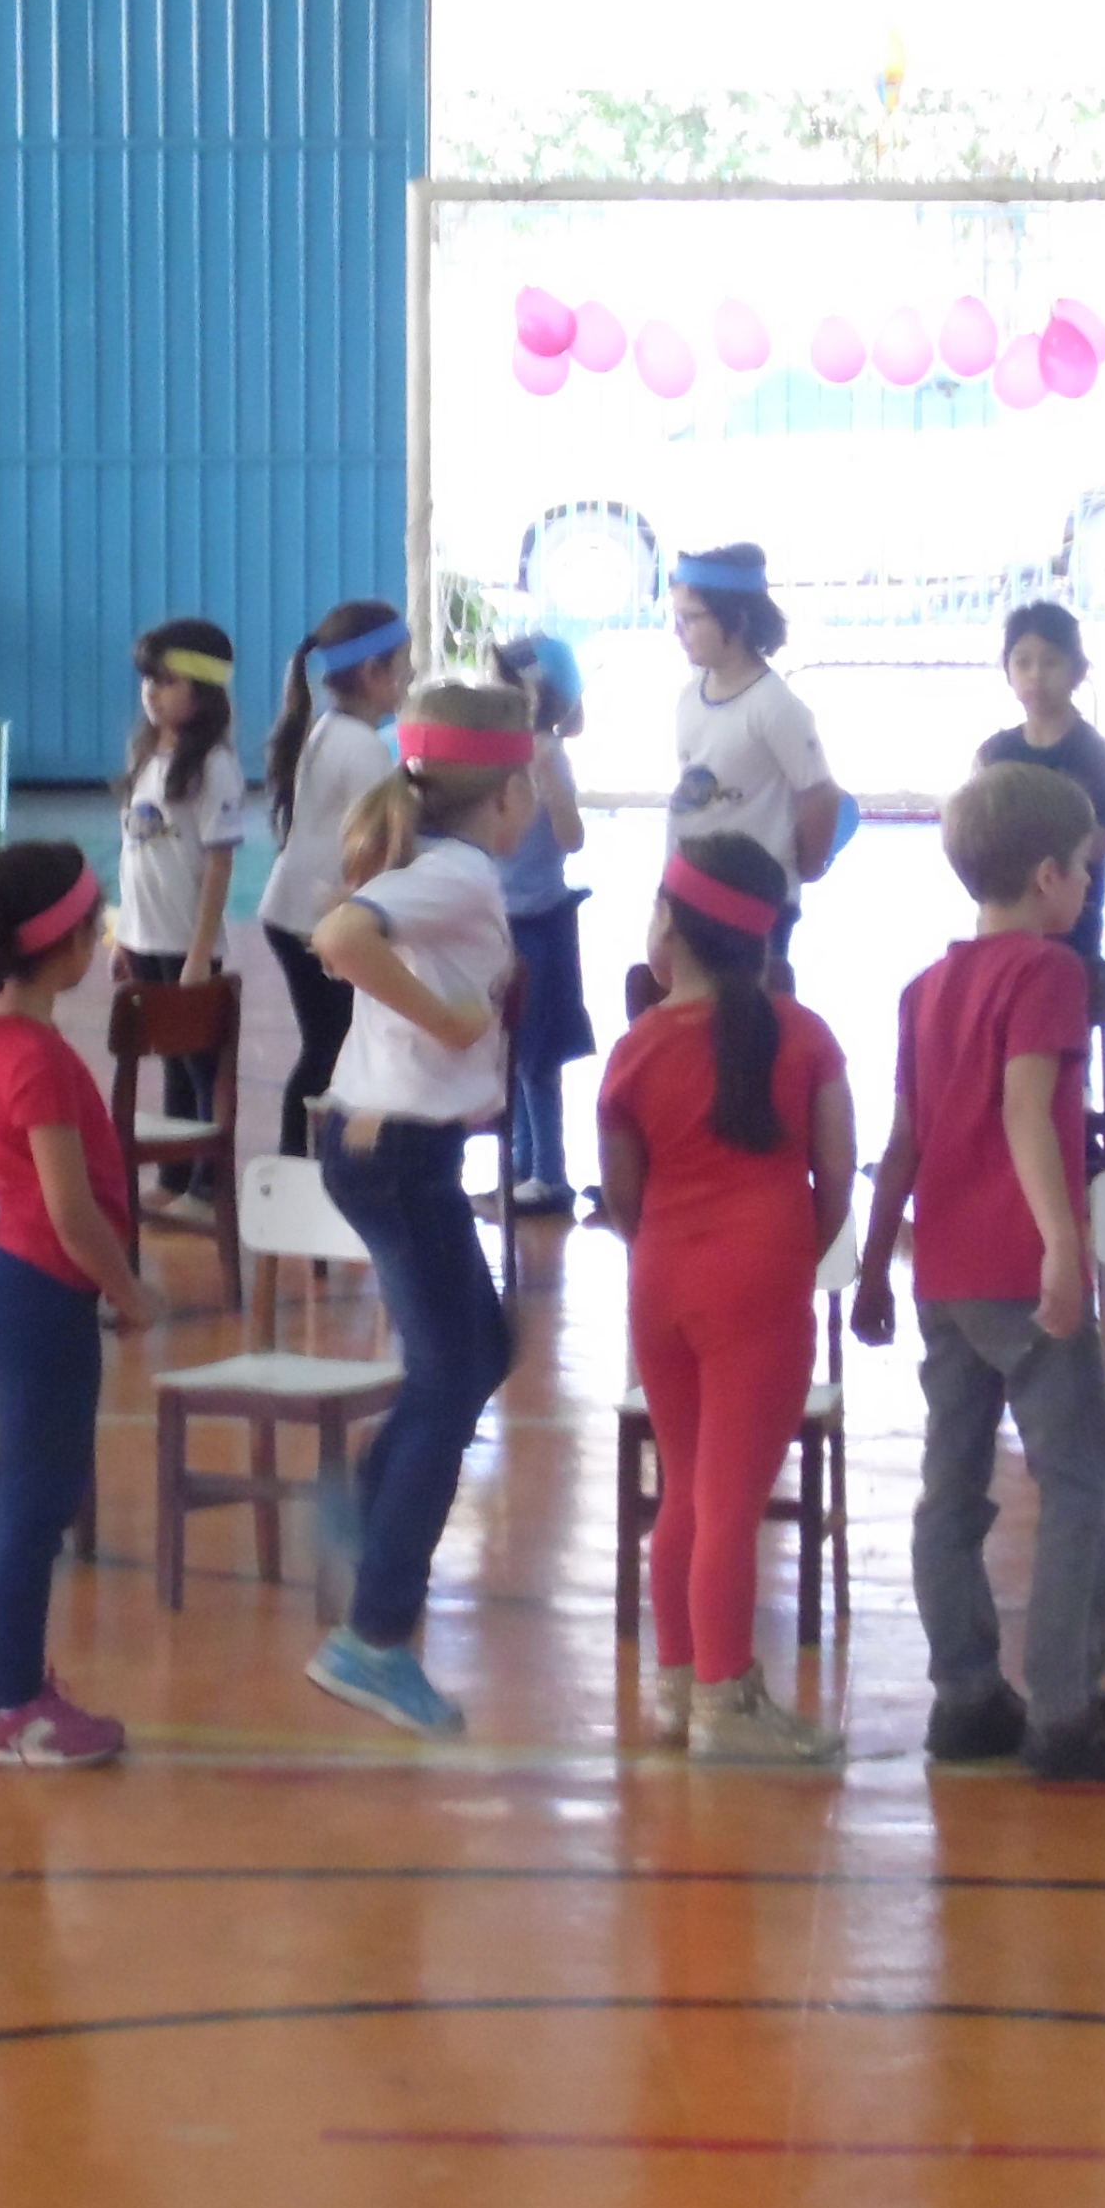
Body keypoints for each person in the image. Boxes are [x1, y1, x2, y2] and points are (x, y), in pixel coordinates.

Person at [851, 761, 1105, 1786]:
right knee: (1079, 1482)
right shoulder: (1049, 975)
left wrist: (875, 1265)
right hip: (1020, 1265)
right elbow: (1026, 1110)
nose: (1085, 884)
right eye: (1083, 867)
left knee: (951, 1490)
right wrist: (1062, 1247)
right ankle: (1066, 1709)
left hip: (944, 1273)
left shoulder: (925, 988)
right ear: (1048, 876)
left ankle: (965, 1697)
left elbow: (904, 1140)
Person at [301, 680, 536, 1741]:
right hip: (397, 1154)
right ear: (510, 792)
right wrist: (448, 1016)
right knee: (452, 1375)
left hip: (387, 1147)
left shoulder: (439, 863)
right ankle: (375, 1634)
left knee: (480, 1351)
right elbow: (339, 937)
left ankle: (370, 1500)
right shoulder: (460, 872)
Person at [596, 830, 850, 1764]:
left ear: (669, 926)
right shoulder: (806, 1037)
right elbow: (838, 1178)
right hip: (761, 1282)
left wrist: (671, 1243)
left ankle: (678, 1686)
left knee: (684, 1491)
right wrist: (788, 1253)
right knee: (731, 1501)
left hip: (661, 1280)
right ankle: (726, 1699)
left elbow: (621, 1196)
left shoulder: (635, 1051)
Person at [0, 839, 162, 1767]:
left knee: (33, 1494)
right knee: (35, 1503)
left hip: (22, 1283)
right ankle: (12, 1705)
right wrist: (130, 1293)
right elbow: (70, 1212)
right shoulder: (31, 1056)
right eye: (94, 922)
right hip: (43, 1289)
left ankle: (17, 1687)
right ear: (64, 945)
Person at [254, 599, 410, 1157]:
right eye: (404, 664)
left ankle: (305, 1163)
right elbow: (379, 849)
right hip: (311, 920)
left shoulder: (330, 730)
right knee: (330, 1049)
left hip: (294, 914)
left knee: (327, 1046)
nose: (411, 675)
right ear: (373, 673)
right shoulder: (362, 747)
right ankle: (301, 1167)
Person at [115, 617, 248, 1171]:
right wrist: (123, 937)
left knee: (198, 1066)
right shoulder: (146, 757)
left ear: (203, 691)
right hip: (145, 940)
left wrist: (199, 953)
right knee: (170, 1061)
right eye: (149, 679)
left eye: (167, 681)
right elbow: (133, 858)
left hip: (185, 944)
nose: (152, 691)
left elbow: (219, 865)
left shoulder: (214, 768)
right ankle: (174, 1176)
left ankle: (207, 1181)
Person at [668, 543, 847, 926]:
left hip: (755, 903)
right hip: (695, 889)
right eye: (675, 617)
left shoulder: (773, 705)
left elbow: (821, 793)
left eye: (690, 618)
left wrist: (801, 869)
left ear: (737, 619)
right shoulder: (691, 692)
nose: (677, 630)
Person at [491, 632, 592, 1213]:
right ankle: (521, 1166)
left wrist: (549, 786)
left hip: (538, 922)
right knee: (514, 1049)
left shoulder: (546, 755)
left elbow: (572, 837)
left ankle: (549, 1173)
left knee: (536, 1053)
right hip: (507, 918)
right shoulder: (504, 753)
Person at [979, 599, 1105, 971]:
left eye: (1050, 662)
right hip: (1003, 926)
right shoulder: (993, 754)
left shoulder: (1096, 755)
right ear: (1007, 670)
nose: (1036, 675)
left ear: (1077, 670)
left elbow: (1096, 844)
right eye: (1022, 662)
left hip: (1071, 928)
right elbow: (978, 843)